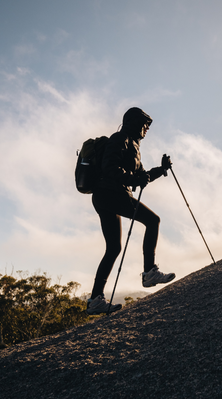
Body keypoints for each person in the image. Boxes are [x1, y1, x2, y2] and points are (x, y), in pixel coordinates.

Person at [86, 107, 176, 315]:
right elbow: (111, 168)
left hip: (104, 196)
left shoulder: (132, 145)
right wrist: (133, 180)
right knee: (153, 221)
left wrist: (161, 170)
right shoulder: (120, 139)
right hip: (112, 194)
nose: (146, 129)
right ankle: (149, 272)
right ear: (135, 123)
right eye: (144, 125)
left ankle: (95, 300)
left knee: (113, 248)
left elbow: (141, 176)